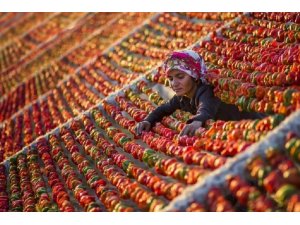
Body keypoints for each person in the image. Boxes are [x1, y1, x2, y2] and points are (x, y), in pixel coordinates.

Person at [135, 49, 266, 137]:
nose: (174, 83)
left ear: (195, 76)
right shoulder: (182, 97)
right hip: (237, 132)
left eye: (180, 76)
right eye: (170, 78)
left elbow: (206, 107)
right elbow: (163, 108)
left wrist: (198, 121)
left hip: (257, 126)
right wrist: (148, 120)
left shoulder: (207, 90)